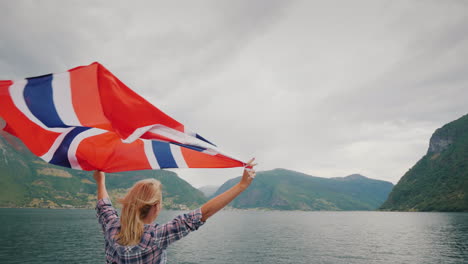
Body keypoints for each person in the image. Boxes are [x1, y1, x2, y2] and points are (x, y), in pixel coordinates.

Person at [94, 158, 257, 264]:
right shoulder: (155, 236)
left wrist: (101, 181)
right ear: (156, 206)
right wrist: (242, 185)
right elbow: (202, 214)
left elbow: (104, 207)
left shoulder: (112, 228)